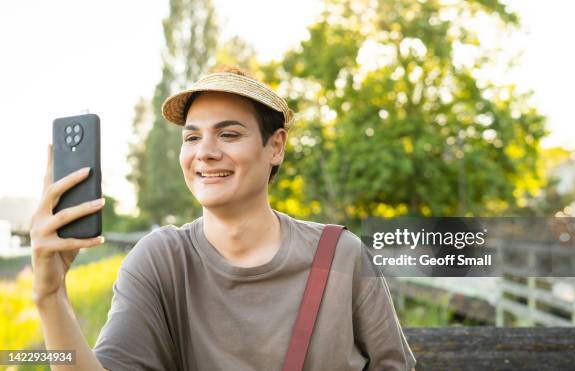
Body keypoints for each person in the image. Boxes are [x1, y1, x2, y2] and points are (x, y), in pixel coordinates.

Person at [31, 65, 417, 370]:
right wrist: (50, 296)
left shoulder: (341, 256)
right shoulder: (160, 261)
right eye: (192, 137)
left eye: (229, 135)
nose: (206, 152)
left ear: (276, 146)